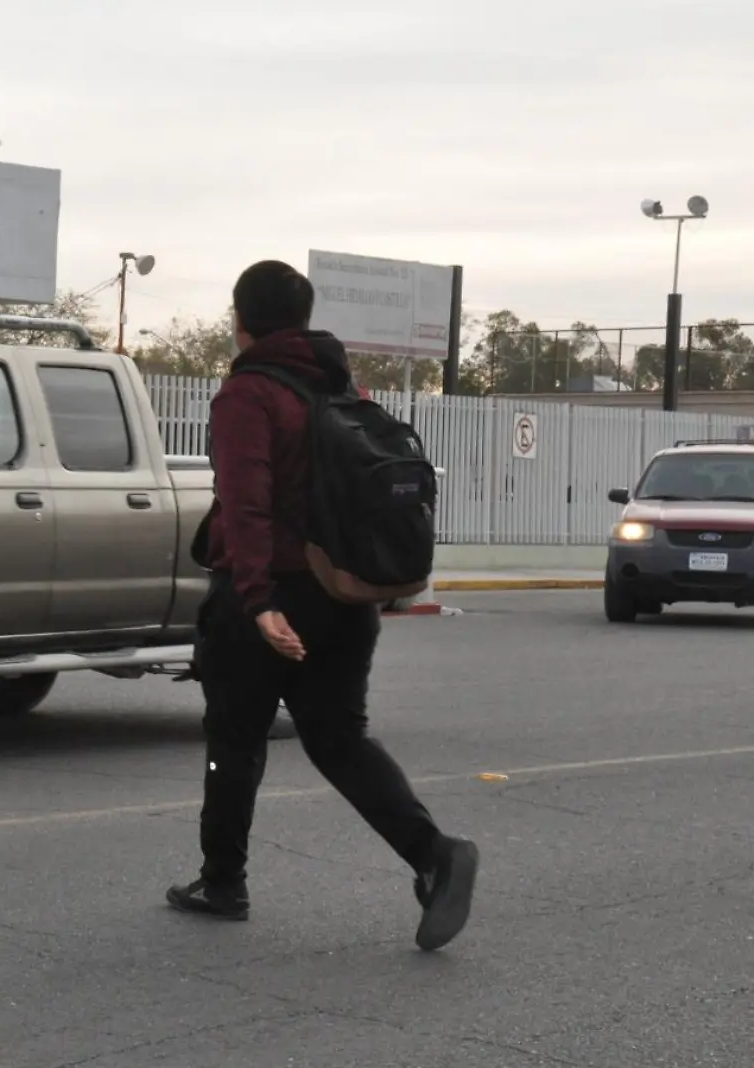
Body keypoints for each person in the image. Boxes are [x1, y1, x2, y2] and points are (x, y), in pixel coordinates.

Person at [166, 260, 478, 952]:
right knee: (340, 739)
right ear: (303, 320)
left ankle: (222, 881)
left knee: (236, 738)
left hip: (271, 596)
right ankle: (434, 854)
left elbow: (246, 505)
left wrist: (254, 601)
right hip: (341, 593)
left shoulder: (250, 394)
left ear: (240, 319)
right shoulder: (339, 385)